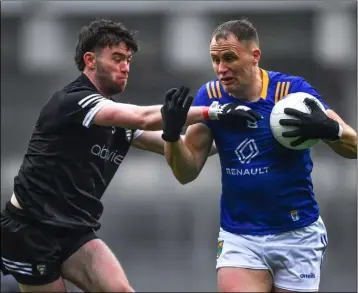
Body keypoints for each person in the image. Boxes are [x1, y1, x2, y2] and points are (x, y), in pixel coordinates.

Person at [0, 19, 259, 293]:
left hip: (75, 231)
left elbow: (184, 145)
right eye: (117, 58)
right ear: (90, 60)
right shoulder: (74, 101)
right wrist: (215, 111)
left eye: (128, 60)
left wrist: (238, 132)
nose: (125, 67)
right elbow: (143, 118)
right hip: (30, 231)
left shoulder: (117, 121)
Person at [161, 19, 357, 293]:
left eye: (229, 57)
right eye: (215, 60)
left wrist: (330, 128)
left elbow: (353, 146)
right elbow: (186, 171)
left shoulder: (291, 91)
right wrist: (170, 136)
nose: (221, 68)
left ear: (255, 56)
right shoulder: (211, 96)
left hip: (298, 234)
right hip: (240, 236)